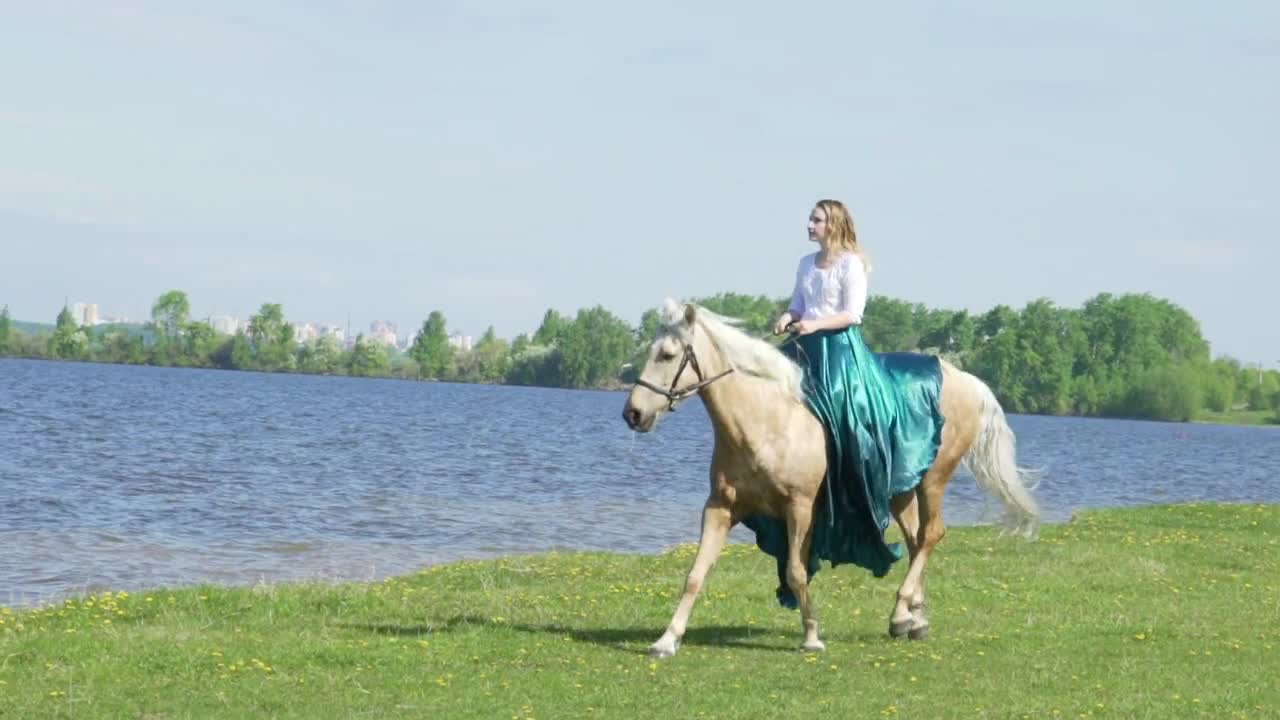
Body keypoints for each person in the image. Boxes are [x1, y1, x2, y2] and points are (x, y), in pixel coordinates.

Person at [743, 199, 947, 607]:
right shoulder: (806, 263)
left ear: (833, 225)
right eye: (810, 219)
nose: (809, 225)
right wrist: (788, 316)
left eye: (816, 220)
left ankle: (857, 485)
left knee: (846, 411)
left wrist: (814, 323)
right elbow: (800, 303)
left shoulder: (852, 265)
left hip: (841, 352)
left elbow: (853, 315)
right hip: (804, 347)